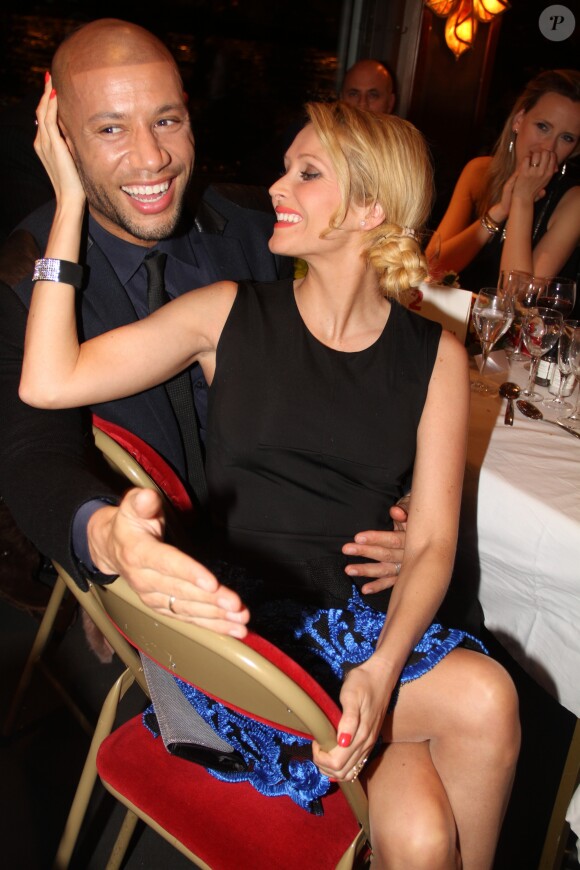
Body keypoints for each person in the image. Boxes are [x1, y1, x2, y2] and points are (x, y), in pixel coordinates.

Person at [22, 80, 520, 868]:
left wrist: (381, 671)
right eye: (286, 169)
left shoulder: (438, 357)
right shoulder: (226, 313)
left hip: (365, 638)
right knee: (488, 697)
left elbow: (430, 545)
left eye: (306, 174)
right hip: (248, 634)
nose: (278, 188)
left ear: (367, 211)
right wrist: (69, 205)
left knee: (424, 839)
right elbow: (47, 383)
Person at [0, 19, 407, 634]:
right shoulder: (28, 273)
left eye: (166, 121)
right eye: (110, 129)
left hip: (308, 556)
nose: (152, 157)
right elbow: (32, 452)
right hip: (167, 591)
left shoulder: (257, 229)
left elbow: (352, 380)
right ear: (59, 142)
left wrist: (407, 508)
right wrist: (107, 536)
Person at [428, 69, 580, 308]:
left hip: (512, 342)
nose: (549, 147)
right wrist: (499, 211)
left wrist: (522, 199)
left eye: (567, 138)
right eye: (542, 126)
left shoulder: (573, 201)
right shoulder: (478, 173)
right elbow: (431, 269)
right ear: (519, 120)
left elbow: (517, 301)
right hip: (449, 325)